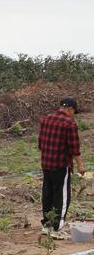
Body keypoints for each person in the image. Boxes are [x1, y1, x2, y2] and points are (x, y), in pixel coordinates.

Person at [38, 97, 85, 237]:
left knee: (47, 194)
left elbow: (40, 144)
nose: (73, 114)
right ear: (70, 109)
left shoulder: (46, 119)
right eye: (74, 112)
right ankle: (57, 227)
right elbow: (74, 148)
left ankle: (47, 225)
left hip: (46, 164)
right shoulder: (69, 123)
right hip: (61, 164)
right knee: (62, 195)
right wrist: (80, 165)